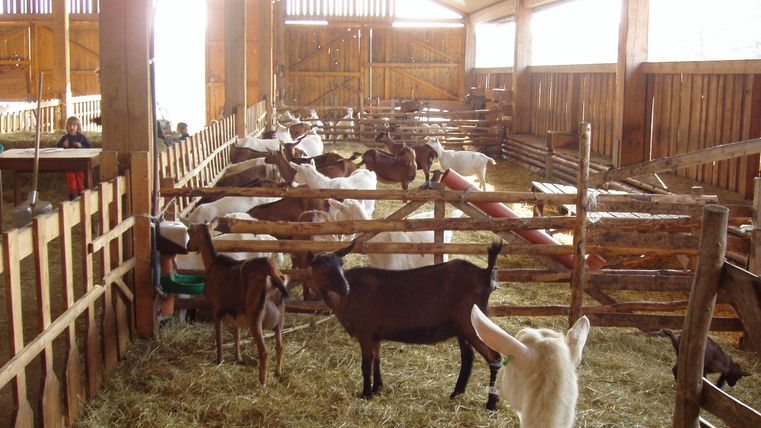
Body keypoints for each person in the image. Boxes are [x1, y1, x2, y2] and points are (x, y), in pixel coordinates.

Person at [57, 116, 91, 200]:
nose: (71, 127)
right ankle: (72, 197)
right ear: (67, 127)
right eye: (70, 125)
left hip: (80, 164)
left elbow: (89, 147)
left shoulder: (81, 137)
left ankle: (81, 196)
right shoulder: (65, 138)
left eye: (74, 125)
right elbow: (57, 147)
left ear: (78, 127)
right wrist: (63, 146)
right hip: (69, 164)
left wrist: (81, 146)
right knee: (71, 181)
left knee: (80, 180)